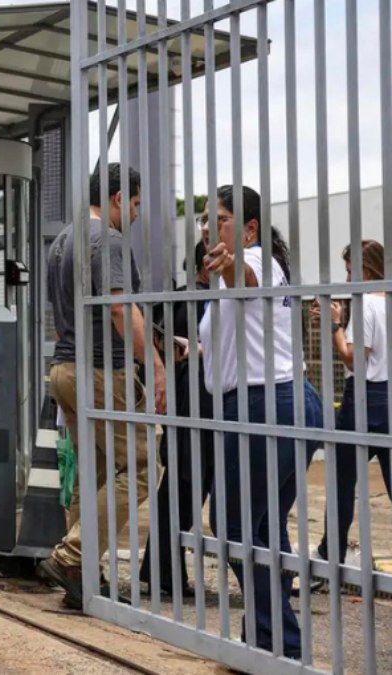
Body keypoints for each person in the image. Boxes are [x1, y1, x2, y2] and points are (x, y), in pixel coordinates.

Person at [199, 185, 323, 659]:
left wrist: (230, 264)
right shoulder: (237, 274)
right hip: (284, 401)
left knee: (231, 523)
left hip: (263, 405)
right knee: (263, 527)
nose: (209, 227)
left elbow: (246, 277)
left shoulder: (257, 261)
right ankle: (264, 638)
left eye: (220, 218)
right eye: (206, 219)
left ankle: (282, 644)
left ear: (249, 228)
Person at [38, 163, 165, 610]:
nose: (136, 214)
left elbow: (65, 315)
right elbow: (118, 308)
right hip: (99, 371)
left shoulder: (62, 241)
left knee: (93, 472)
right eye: (134, 203)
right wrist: (154, 363)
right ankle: (72, 555)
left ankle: (81, 576)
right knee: (144, 465)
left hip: (65, 368)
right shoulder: (107, 240)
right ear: (116, 198)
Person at [138, 240, 216, 598]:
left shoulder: (175, 301)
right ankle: (163, 571)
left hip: (180, 402)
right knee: (186, 489)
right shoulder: (206, 302)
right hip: (201, 404)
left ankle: (161, 570)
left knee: (180, 487)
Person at [312, 240, 391, 573]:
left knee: (342, 482)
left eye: (349, 270)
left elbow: (353, 358)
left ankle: (332, 554)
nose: (347, 278)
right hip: (388, 397)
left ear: (365, 269)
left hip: (363, 397)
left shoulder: (365, 303)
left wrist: (335, 325)